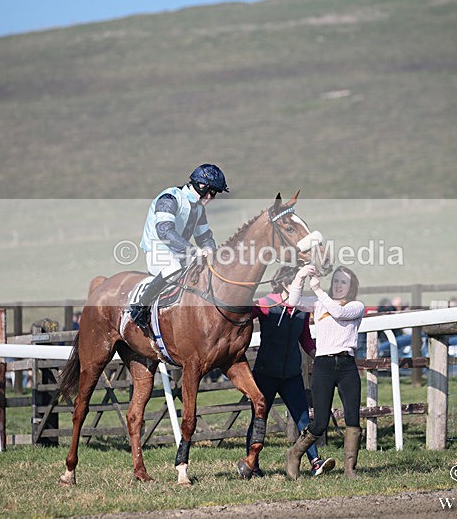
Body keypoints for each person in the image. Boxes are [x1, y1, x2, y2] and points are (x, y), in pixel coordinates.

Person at [246, 266, 335, 478]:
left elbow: (304, 338)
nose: (301, 286)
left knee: (304, 419)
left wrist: (320, 356)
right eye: (298, 281)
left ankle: (315, 461)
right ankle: (252, 464)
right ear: (285, 283)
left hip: (292, 374)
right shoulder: (266, 303)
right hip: (265, 374)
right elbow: (243, 316)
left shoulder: (302, 309)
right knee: (259, 420)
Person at [285, 265, 365, 480]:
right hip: (323, 365)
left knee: (352, 418)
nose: (338, 285)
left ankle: (350, 469)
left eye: (343, 282)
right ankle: (294, 455)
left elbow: (338, 312)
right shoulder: (319, 304)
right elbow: (292, 302)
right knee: (320, 422)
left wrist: (319, 291)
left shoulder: (357, 306)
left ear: (351, 286)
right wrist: (301, 276)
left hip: (347, 365)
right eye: (336, 281)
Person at [130, 163, 228, 329]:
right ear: (201, 185)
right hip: (158, 250)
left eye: (215, 194)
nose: (211, 197)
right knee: (173, 268)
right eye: (211, 192)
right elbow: (165, 232)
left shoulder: (199, 209)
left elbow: (205, 237)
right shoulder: (169, 198)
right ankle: (140, 308)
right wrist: (193, 250)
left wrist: (211, 251)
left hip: (182, 253)